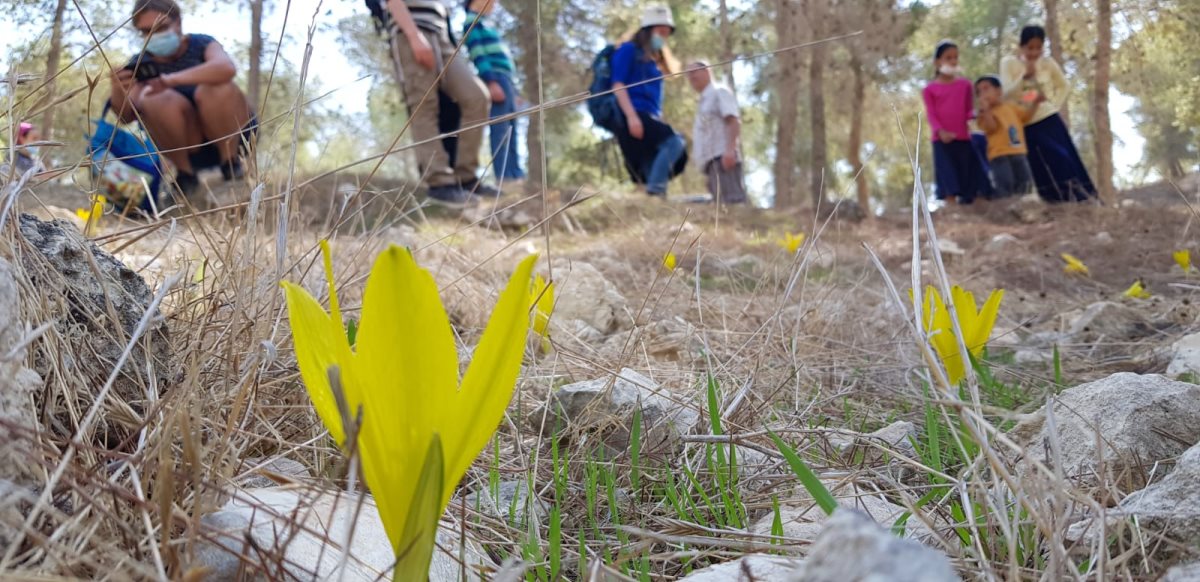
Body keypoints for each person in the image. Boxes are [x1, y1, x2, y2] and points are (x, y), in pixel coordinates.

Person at [110, 0, 257, 198]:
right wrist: (118, 89)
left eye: (160, 27)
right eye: (145, 31)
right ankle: (185, 178)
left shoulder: (202, 44)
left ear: (178, 22)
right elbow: (126, 117)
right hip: (189, 148)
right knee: (154, 99)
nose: (153, 36)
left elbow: (226, 68)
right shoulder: (140, 64)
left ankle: (231, 166)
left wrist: (170, 80)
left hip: (238, 137)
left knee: (216, 89)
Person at [383, 0, 497, 205]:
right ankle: (440, 182)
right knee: (423, 105)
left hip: (442, 35)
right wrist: (413, 35)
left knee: (477, 97)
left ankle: (466, 176)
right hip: (411, 30)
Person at [1000, 25, 1096, 203]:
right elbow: (1006, 93)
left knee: (1063, 156)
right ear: (1021, 46)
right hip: (1025, 121)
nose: (1034, 52)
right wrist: (1024, 78)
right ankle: (1053, 201)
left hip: (1048, 117)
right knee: (1038, 164)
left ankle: (1082, 196)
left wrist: (1054, 104)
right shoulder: (1009, 63)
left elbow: (1064, 86)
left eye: (1038, 47)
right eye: (1030, 47)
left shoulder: (1048, 63)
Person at [611, 5, 687, 197]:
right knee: (675, 143)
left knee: (652, 163)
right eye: (660, 32)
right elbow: (618, 85)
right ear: (648, 30)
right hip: (633, 114)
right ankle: (655, 192)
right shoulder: (628, 50)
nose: (663, 37)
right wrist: (631, 117)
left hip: (649, 116)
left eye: (666, 34)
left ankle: (653, 199)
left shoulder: (654, 62)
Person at [463, 0, 525, 184]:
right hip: (495, 78)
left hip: (506, 80)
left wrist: (514, 90)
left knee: (512, 128)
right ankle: (504, 176)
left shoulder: (487, 24)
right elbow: (478, 53)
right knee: (501, 128)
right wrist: (490, 81)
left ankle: (516, 175)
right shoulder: (472, 22)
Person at [922, 40, 990, 205]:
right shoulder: (929, 89)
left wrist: (975, 114)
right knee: (947, 175)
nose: (953, 61)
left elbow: (968, 109)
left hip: (963, 137)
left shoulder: (965, 85)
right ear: (937, 62)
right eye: (948, 58)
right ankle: (951, 207)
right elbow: (931, 114)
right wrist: (940, 131)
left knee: (967, 172)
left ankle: (973, 203)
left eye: (955, 58)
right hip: (941, 140)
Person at [685, 62, 746, 205]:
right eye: (689, 75)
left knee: (733, 205)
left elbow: (733, 120)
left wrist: (730, 151)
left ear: (707, 71)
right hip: (711, 165)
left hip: (723, 159)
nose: (691, 77)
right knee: (721, 210)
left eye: (694, 72)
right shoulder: (703, 102)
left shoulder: (719, 92)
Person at [975, 75, 1039, 198]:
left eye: (986, 89)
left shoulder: (1011, 107)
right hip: (999, 155)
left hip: (1018, 151)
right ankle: (1006, 208)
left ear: (999, 91)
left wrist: (1035, 103)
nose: (983, 94)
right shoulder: (982, 115)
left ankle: (1026, 206)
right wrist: (986, 110)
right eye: (979, 92)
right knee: (1005, 183)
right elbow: (991, 127)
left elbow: (1026, 117)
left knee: (1025, 182)